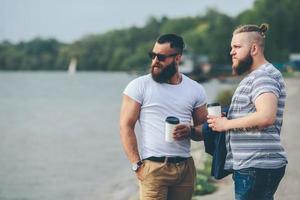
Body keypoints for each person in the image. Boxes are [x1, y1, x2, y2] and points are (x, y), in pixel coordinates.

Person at [119, 33, 208, 200]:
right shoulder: (139, 86)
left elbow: (204, 130)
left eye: (160, 57)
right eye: (152, 55)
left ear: (177, 58)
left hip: (185, 168)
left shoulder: (195, 89)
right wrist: (136, 164)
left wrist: (189, 130)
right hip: (153, 168)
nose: (154, 61)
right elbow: (126, 126)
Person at [207, 24, 288, 200]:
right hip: (254, 165)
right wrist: (228, 118)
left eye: (237, 47)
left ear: (253, 49)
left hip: (256, 165)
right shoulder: (255, 76)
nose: (231, 52)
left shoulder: (263, 76)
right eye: (231, 47)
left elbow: (266, 116)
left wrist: (226, 124)